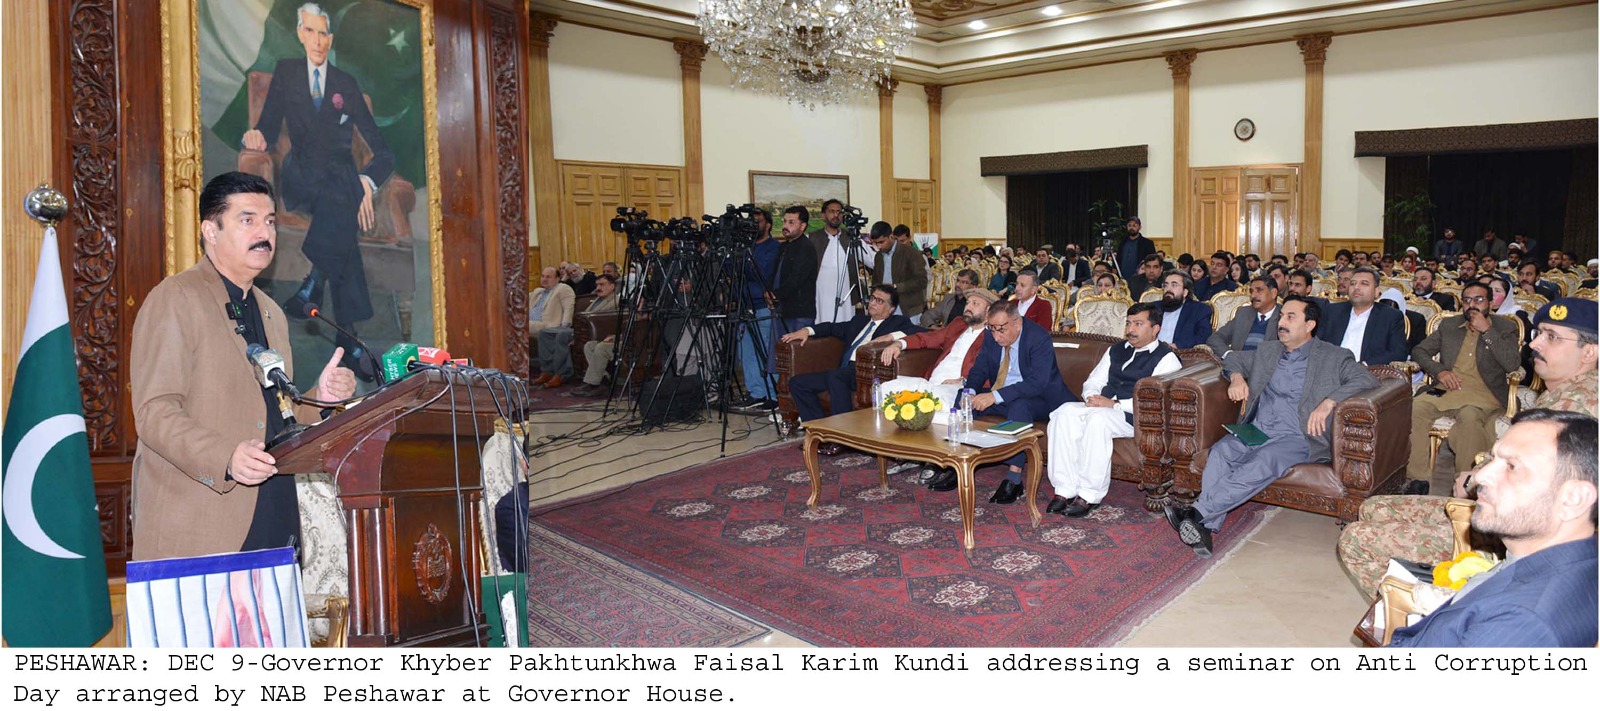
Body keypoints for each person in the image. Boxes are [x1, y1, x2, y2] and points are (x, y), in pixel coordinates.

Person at [130, 172, 357, 560]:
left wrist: (320, 397)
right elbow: (154, 412)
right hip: (202, 526)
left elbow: (278, 413)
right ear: (210, 230)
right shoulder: (176, 298)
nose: (264, 232)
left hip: (273, 514)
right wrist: (225, 458)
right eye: (247, 219)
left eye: (270, 221)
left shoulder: (271, 313)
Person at [244, 2, 392, 382]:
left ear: (331, 37)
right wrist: (255, 135)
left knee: (343, 186)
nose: (318, 40)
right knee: (341, 187)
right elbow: (267, 124)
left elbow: (383, 151)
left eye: (324, 33)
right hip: (299, 175)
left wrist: (367, 181)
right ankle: (336, 316)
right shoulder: (287, 72)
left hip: (338, 184)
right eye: (310, 31)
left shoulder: (346, 83)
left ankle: (345, 331)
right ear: (299, 33)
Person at [1163, 296, 1378, 557]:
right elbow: (1232, 360)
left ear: (1310, 324)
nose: (1281, 322)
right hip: (1258, 429)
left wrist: (1329, 402)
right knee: (1220, 452)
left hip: (1298, 436)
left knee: (1264, 460)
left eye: (1290, 317)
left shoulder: (1333, 356)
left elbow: (1365, 378)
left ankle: (1194, 513)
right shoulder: (1269, 351)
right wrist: (1237, 378)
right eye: (1281, 316)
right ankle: (1204, 526)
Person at [1387, 409, 1597, 647]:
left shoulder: (1521, 624)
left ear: (1574, 498)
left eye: (1511, 466)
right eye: (1492, 459)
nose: (1482, 476)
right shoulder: (1565, 559)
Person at [1045, 303, 1182, 517]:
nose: (1131, 329)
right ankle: (1064, 489)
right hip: (1103, 406)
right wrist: (1092, 396)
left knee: (1098, 420)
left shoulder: (1167, 358)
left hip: (1136, 416)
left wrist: (1114, 405)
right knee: (1063, 413)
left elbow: (1157, 401)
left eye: (1138, 324)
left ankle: (1090, 495)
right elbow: (1094, 380)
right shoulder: (1116, 350)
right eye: (1128, 323)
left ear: (1155, 329)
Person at [876, 289, 1003, 491]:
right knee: (888, 390)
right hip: (931, 382)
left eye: (975, 304)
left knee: (938, 405)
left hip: (959, 388)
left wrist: (965, 379)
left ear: (989, 311)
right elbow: (928, 338)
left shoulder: (994, 334)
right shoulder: (958, 325)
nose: (968, 307)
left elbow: (997, 369)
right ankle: (912, 452)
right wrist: (899, 343)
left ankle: (934, 460)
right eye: (968, 302)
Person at [1402, 282, 1522, 494]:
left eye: (1479, 300)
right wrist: (1439, 371)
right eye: (1467, 300)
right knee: (1415, 408)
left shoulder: (1505, 327)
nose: (1472, 305)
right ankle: (1418, 478)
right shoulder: (1450, 326)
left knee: (1470, 418)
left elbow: (1512, 364)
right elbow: (1420, 351)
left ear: (1490, 303)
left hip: (1484, 393)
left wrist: (1488, 331)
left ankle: (1466, 483)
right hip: (1446, 389)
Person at [965, 300, 1077, 504]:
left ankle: (1014, 479)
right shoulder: (991, 335)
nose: (996, 336)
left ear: (1016, 323)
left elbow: (1037, 384)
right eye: (992, 330)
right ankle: (958, 462)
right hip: (1005, 393)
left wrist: (994, 396)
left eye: (1001, 330)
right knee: (963, 400)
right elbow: (980, 368)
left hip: (1042, 399)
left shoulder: (1038, 338)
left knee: (1020, 406)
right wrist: (969, 392)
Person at [781, 285, 921, 441]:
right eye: (873, 298)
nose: (873, 303)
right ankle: (819, 432)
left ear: (891, 308)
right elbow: (832, 328)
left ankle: (842, 436)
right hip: (844, 371)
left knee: (836, 377)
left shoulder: (898, 322)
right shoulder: (859, 321)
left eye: (880, 301)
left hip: (867, 373)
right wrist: (807, 330)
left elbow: (920, 331)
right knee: (797, 382)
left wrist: (891, 336)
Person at [1319, 267, 1409, 365]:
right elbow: (1317, 344)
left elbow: (1398, 353)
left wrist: (1365, 365)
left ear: (1376, 292)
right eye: (1352, 283)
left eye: (1364, 283)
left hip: (1367, 373)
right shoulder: (1332, 311)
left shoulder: (1390, 316)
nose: (1356, 287)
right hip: (1330, 369)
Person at [809, 198, 864, 324]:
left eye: (839, 212)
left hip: (846, 294)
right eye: (832, 211)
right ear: (823, 215)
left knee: (846, 327)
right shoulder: (813, 238)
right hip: (821, 294)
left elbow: (871, 258)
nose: (836, 215)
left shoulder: (851, 237)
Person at [1207, 275, 1279, 358]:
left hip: (1267, 368)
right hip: (1237, 365)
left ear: (1273, 293)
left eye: (1259, 290)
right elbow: (1215, 338)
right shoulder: (1244, 313)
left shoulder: (1283, 316)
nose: (1253, 296)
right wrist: (1229, 355)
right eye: (1252, 291)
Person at [529, 267, 577, 385]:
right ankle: (547, 372)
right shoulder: (538, 292)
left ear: (557, 279)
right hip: (533, 324)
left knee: (515, 327)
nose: (544, 279)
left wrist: (565, 325)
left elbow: (568, 307)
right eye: (543, 276)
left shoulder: (562, 288)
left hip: (550, 325)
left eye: (548, 277)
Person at [873, 222, 928, 324]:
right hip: (885, 308)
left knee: (908, 339)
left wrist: (895, 287)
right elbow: (876, 281)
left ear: (891, 237)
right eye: (876, 243)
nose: (879, 246)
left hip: (908, 308)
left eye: (881, 242)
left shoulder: (911, 253)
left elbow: (921, 281)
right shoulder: (878, 256)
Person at [1156, 270, 1213, 349]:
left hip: (1178, 354)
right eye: (1166, 285)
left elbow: (1204, 336)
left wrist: (1177, 345)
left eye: (1174, 285)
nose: (1168, 289)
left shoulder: (1199, 310)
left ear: (1185, 292)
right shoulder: (1154, 307)